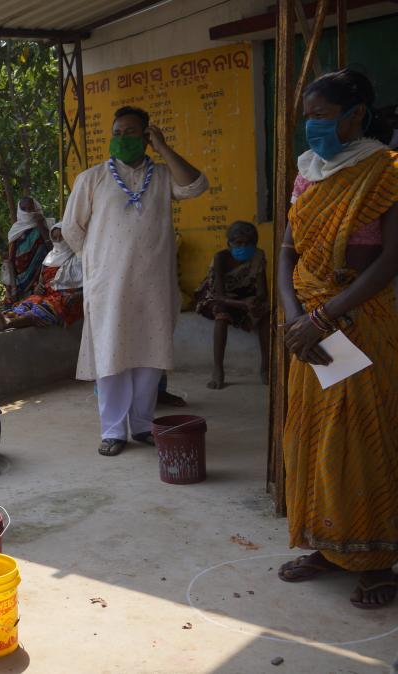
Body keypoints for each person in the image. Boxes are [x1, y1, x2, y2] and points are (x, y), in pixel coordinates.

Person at [273, 69, 398, 610]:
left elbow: (391, 260)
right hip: (306, 330)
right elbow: (285, 250)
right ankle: (326, 546)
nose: (312, 128)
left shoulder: (383, 171)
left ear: (356, 117)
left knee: (359, 440)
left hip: (357, 324)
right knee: (310, 438)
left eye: (322, 116)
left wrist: (322, 318)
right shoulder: (308, 174)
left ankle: (375, 559)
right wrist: (292, 317)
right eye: (309, 117)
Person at [61, 105, 208, 457]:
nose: (122, 138)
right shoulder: (91, 178)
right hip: (109, 286)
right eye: (117, 132)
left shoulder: (162, 175)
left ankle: (142, 425)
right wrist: (101, 261)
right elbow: (71, 228)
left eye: (130, 132)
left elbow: (197, 186)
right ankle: (113, 430)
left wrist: (164, 149)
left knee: (150, 355)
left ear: (146, 136)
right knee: (111, 356)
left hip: (155, 284)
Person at [193, 220, 269, 389]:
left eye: (249, 244)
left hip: (242, 294)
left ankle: (265, 367)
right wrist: (243, 305)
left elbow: (263, 291)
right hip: (215, 296)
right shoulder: (221, 258)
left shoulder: (258, 256)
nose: (244, 247)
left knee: (266, 314)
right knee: (222, 315)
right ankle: (218, 369)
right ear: (229, 244)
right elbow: (219, 296)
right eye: (239, 243)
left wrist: (256, 301)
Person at [0, 223, 82, 331]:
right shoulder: (50, 257)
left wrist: (78, 295)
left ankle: (8, 323)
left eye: (61, 236)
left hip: (67, 299)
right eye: (55, 237)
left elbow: (90, 285)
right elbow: (41, 282)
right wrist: (38, 288)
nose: (58, 240)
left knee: (42, 309)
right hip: (46, 295)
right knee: (26, 305)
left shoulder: (79, 258)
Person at [6, 197, 52, 301]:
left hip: (41, 279)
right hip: (19, 280)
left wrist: (40, 225)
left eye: (31, 208)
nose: (27, 211)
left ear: (35, 208)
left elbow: (52, 250)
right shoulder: (15, 230)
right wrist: (12, 285)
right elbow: (11, 259)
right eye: (24, 209)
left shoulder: (45, 225)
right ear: (20, 210)